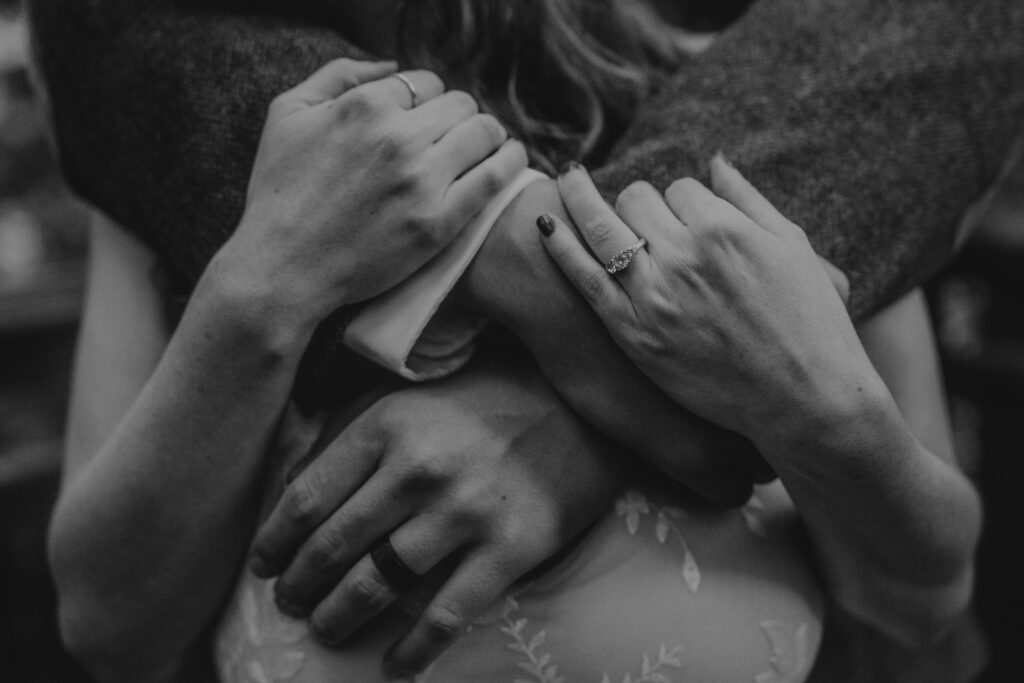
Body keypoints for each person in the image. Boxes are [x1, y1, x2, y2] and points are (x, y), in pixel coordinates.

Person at [28, 0, 1020, 680]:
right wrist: (262, 287)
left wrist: (570, 422)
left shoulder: (790, 92)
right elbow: (109, 621)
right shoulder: (199, 105)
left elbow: (919, 591)